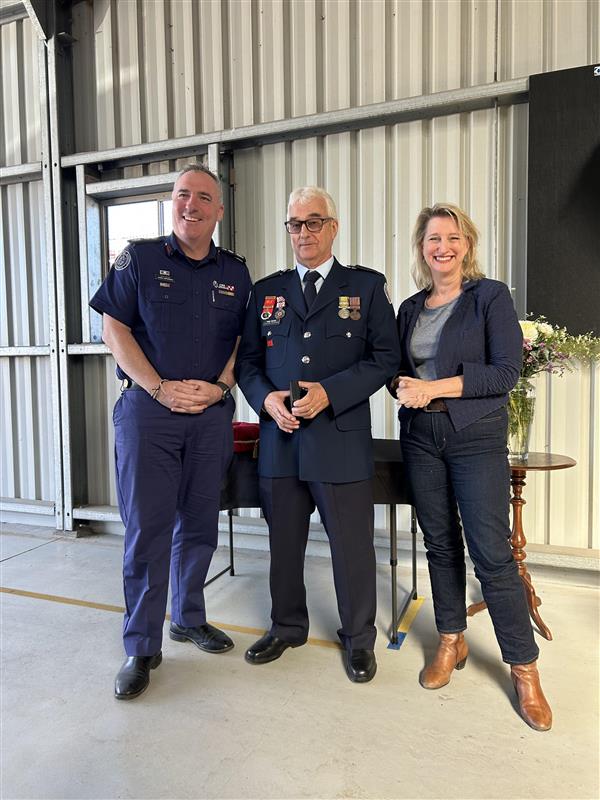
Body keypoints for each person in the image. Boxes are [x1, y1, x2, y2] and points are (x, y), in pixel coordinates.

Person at [90, 164, 252, 700]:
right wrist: (158, 387)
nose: (191, 205)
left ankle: (188, 617)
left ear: (218, 210)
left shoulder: (236, 272)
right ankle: (141, 645)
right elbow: (112, 327)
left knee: (200, 524)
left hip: (209, 416)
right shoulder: (139, 258)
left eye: (203, 197)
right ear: (172, 201)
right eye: (183, 194)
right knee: (148, 530)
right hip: (149, 413)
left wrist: (221, 386)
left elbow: (244, 341)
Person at [389, 202, 552, 730]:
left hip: (475, 436)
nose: (443, 247)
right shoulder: (410, 308)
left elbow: (504, 373)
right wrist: (403, 387)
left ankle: (524, 668)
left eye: (452, 237)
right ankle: (451, 639)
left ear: (467, 244)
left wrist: (433, 387)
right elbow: (398, 372)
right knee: (439, 543)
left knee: (492, 554)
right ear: (422, 248)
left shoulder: (489, 296)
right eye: (433, 239)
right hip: (420, 437)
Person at [235, 186, 400, 683]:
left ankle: (359, 639)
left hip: (340, 439)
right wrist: (265, 400)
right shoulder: (266, 291)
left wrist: (330, 392)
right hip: (281, 442)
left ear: (333, 227)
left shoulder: (365, 287)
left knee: (352, 548)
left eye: (313, 222)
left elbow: (385, 359)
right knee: (284, 545)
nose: (303, 232)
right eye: (295, 224)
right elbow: (247, 363)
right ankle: (287, 627)